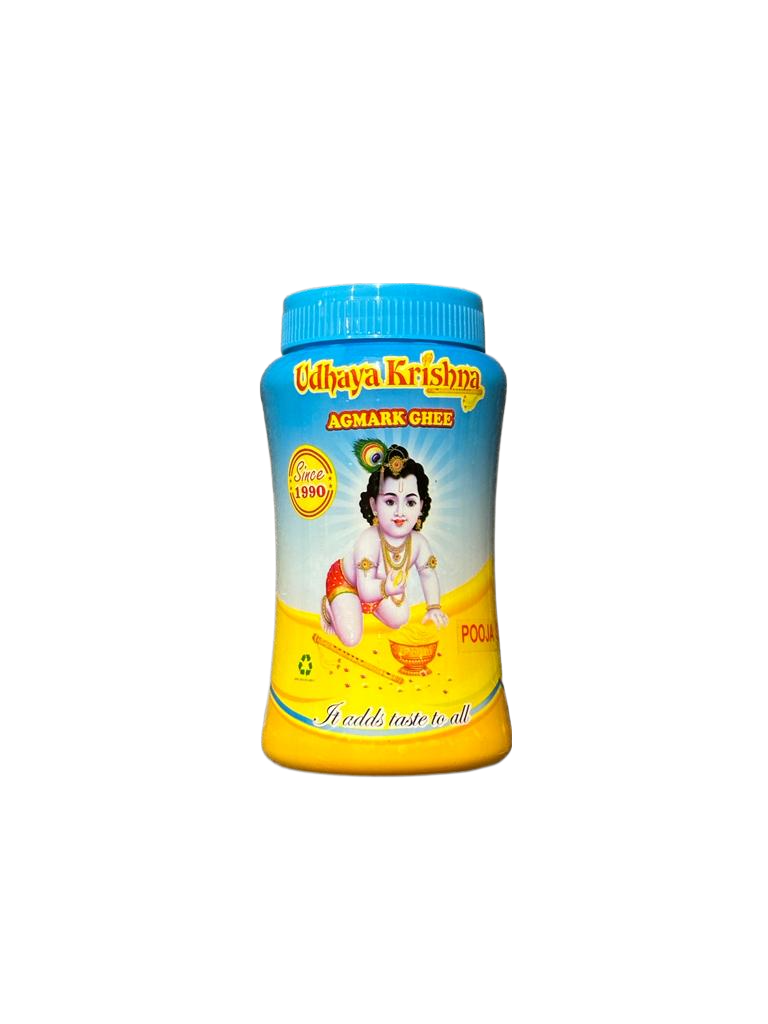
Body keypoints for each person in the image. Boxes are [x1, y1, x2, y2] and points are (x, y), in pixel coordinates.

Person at [321, 443, 449, 648]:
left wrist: (433, 607)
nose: (400, 512)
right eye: (390, 502)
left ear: (421, 506)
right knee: (352, 639)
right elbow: (365, 590)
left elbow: (427, 574)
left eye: (410, 503)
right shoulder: (369, 540)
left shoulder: (418, 543)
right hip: (348, 583)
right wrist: (387, 587)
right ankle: (331, 606)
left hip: (379, 590)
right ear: (374, 505)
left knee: (401, 618)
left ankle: (358, 608)